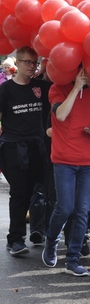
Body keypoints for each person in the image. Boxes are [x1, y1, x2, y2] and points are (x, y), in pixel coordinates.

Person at [42, 69, 90, 277]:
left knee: (82, 210)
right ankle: (51, 242)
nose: (87, 75)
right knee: (65, 207)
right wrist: (76, 88)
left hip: (89, 160)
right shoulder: (56, 88)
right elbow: (61, 114)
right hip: (63, 160)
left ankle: (73, 259)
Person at [0, 47, 50, 255]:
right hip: (14, 148)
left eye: (34, 62)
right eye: (27, 62)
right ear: (17, 63)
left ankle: (40, 231)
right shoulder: (6, 89)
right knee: (19, 193)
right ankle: (16, 239)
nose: (31, 66)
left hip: (37, 148)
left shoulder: (41, 87)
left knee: (37, 191)